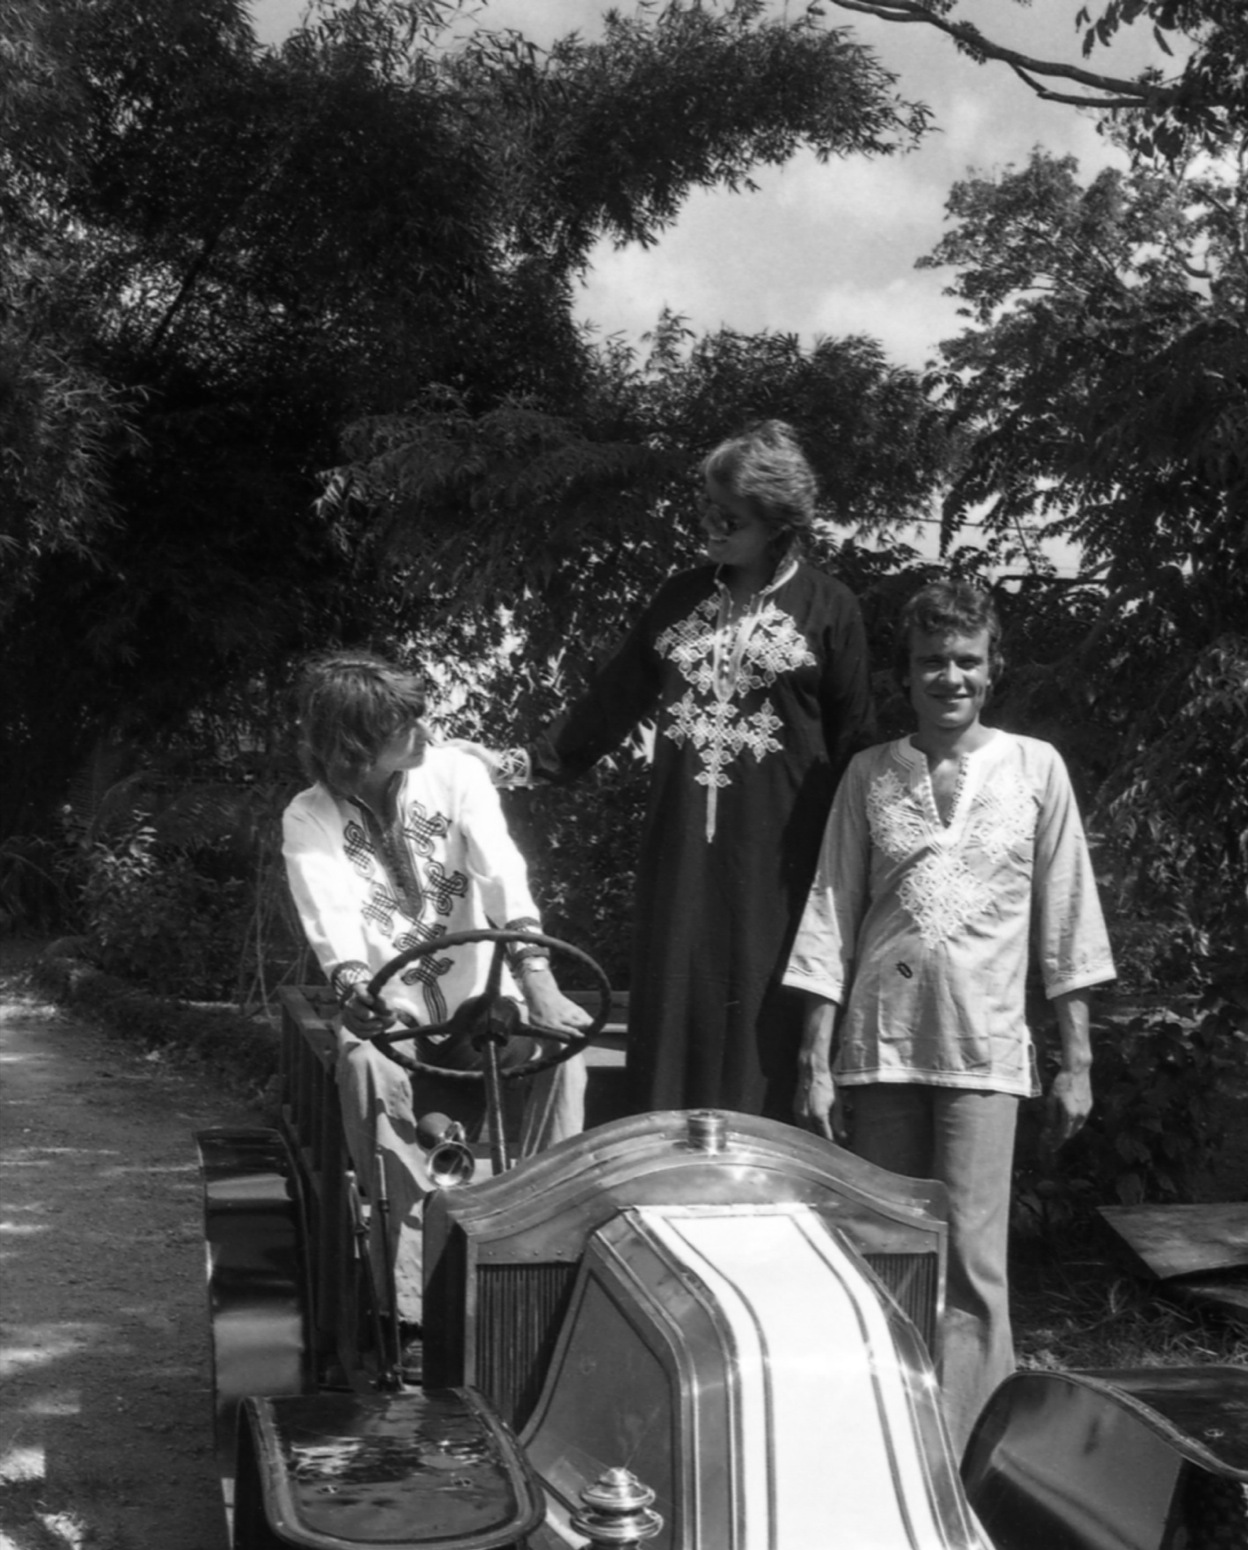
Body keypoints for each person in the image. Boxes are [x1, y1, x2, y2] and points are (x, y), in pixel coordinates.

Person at [784, 577, 1115, 1451]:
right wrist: (816, 1060)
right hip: (880, 1047)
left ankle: (972, 1461)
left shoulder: (1035, 768)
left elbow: (1068, 916)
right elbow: (830, 908)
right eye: (932, 661)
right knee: (880, 1251)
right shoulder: (869, 774)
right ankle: (879, 1449)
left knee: (971, 1262)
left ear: (993, 667)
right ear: (907, 672)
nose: (949, 677)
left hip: (984, 1050)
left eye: (967, 660)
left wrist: (1077, 1062)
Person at [524, 419, 878, 1121]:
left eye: (730, 517)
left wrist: (856, 872)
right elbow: (611, 701)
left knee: (765, 1024)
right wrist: (526, 762)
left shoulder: (829, 608)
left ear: (778, 523)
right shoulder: (679, 599)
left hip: (783, 863)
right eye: (704, 509)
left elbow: (857, 747)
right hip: (682, 853)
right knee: (676, 1001)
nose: (709, 526)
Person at [282, 652, 588, 1364]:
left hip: (484, 1005)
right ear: (357, 745)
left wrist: (537, 974)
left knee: (561, 1059)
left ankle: (543, 1252)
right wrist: (359, 990)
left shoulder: (455, 774)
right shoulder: (309, 815)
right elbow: (328, 908)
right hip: (396, 1017)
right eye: (406, 726)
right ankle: (413, 1309)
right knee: (365, 1066)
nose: (428, 734)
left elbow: (500, 870)